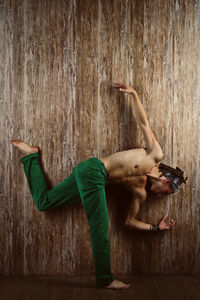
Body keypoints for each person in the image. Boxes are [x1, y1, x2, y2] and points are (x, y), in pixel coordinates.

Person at [9, 83, 187, 290]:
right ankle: (105, 279)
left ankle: (30, 156)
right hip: (94, 170)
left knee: (44, 202)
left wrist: (156, 227)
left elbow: (129, 222)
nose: (159, 197)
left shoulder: (139, 191)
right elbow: (144, 124)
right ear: (167, 181)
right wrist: (134, 94)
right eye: (166, 193)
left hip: (90, 178)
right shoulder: (154, 155)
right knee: (100, 227)